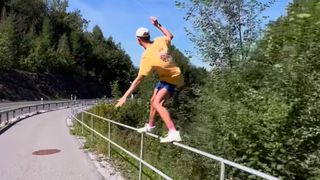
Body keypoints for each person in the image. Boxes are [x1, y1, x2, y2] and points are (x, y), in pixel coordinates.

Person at [115, 16, 184, 143]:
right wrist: (158, 25)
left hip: (172, 78)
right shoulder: (159, 41)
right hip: (166, 77)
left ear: (138, 40)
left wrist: (125, 96)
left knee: (157, 103)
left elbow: (138, 80)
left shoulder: (146, 56)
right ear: (147, 37)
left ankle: (173, 132)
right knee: (153, 100)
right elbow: (170, 35)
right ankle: (150, 126)